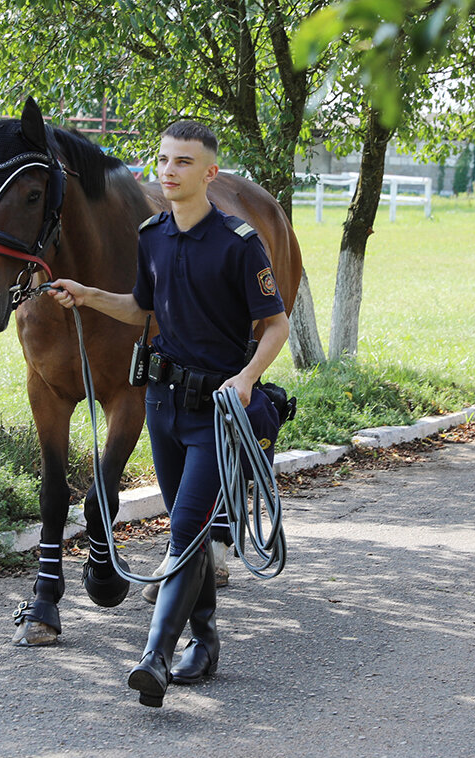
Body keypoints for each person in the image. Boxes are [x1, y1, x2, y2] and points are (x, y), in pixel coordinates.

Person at [47, 120, 289, 706]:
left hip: (216, 409)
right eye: (163, 160)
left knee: (184, 530)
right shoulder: (152, 235)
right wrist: (86, 293)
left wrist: (247, 380)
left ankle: (154, 657)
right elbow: (139, 307)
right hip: (161, 403)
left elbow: (276, 323)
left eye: (183, 162)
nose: (169, 171)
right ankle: (203, 641)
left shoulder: (239, 242)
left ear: (208, 173)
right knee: (194, 530)